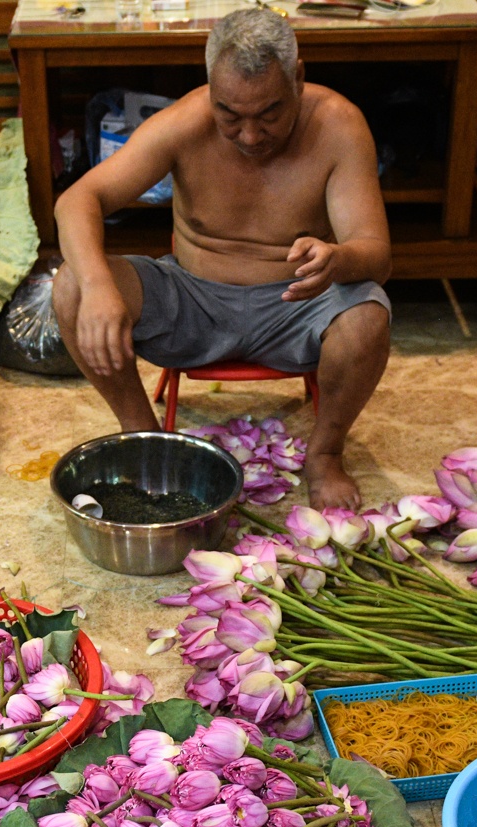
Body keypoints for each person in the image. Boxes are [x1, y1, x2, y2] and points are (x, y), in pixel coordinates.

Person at [52, 8, 391, 510]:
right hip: (194, 298)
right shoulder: (184, 123)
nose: (250, 136)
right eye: (230, 115)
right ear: (210, 88)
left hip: (296, 303)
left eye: (270, 114)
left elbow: (377, 254)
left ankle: (324, 455)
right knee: (72, 287)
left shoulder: (338, 125)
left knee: (368, 315)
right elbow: (77, 201)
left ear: (298, 79)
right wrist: (100, 285)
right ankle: (143, 436)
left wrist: (338, 258)